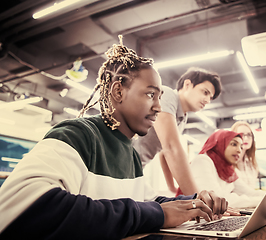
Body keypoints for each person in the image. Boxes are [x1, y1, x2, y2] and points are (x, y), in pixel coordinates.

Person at [0, 36, 227, 239]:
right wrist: (155, 213)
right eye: (150, 95)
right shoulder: (76, 135)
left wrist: (195, 203)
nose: (158, 107)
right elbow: (24, 210)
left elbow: (144, 202)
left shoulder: (130, 154)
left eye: (159, 98)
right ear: (118, 91)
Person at [133, 67, 222, 195]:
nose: (207, 100)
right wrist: (196, 198)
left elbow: (164, 153)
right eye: (205, 92)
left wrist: (172, 187)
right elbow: (171, 147)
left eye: (210, 97)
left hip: (134, 169)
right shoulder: (167, 95)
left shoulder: (182, 117)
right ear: (187, 85)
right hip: (117, 162)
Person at [185, 130, 266, 209]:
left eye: (241, 146)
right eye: (233, 144)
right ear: (219, 144)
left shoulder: (228, 170)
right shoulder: (203, 161)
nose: (239, 150)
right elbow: (219, 201)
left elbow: (250, 192)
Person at [230, 121, 259, 189]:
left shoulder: (252, 164)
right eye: (241, 135)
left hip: (251, 198)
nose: (246, 138)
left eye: (249, 135)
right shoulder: (229, 164)